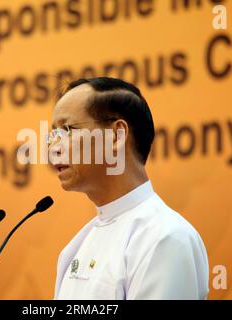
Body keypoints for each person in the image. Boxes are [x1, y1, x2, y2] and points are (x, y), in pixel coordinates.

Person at [48, 77, 209, 300]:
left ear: (116, 135)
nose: (54, 148)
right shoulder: (78, 244)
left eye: (67, 130)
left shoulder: (165, 237)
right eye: (53, 134)